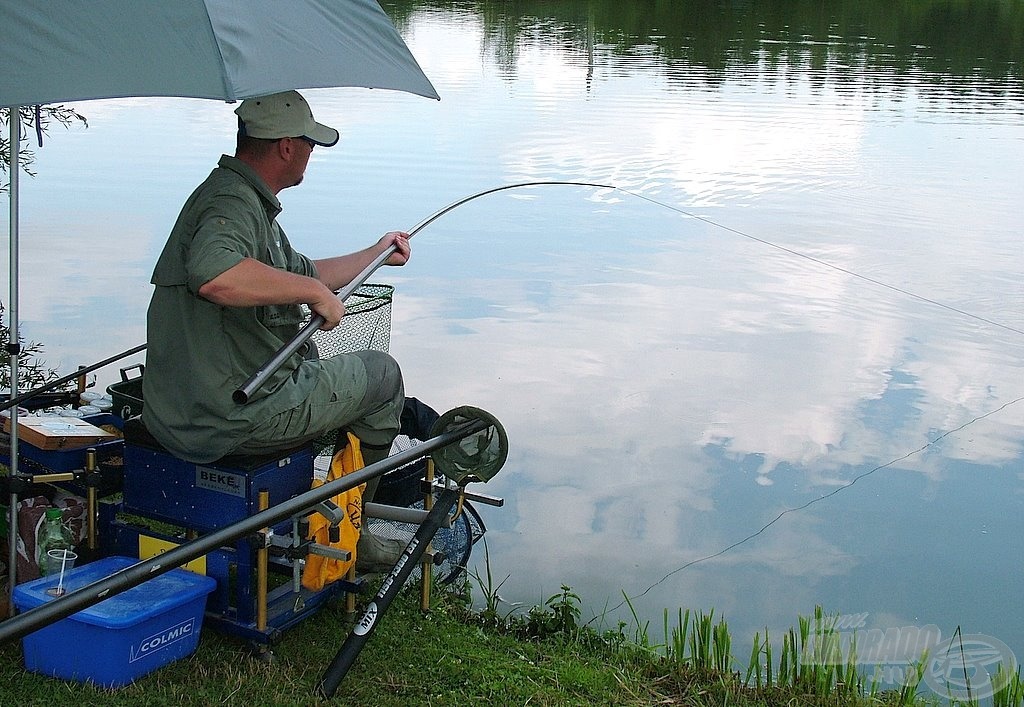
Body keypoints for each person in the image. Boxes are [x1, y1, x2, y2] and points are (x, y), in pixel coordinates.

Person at [142, 90, 410, 516]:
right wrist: (313, 294)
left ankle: (336, 509)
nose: (311, 154)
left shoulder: (236, 197)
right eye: (310, 144)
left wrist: (375, 253)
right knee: (383, 376)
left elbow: (303, 273)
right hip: (232, 419)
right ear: (288, 147)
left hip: (180, 414)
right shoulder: (231, 203)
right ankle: (355, 529)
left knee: (328, 362)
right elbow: (216, 275)